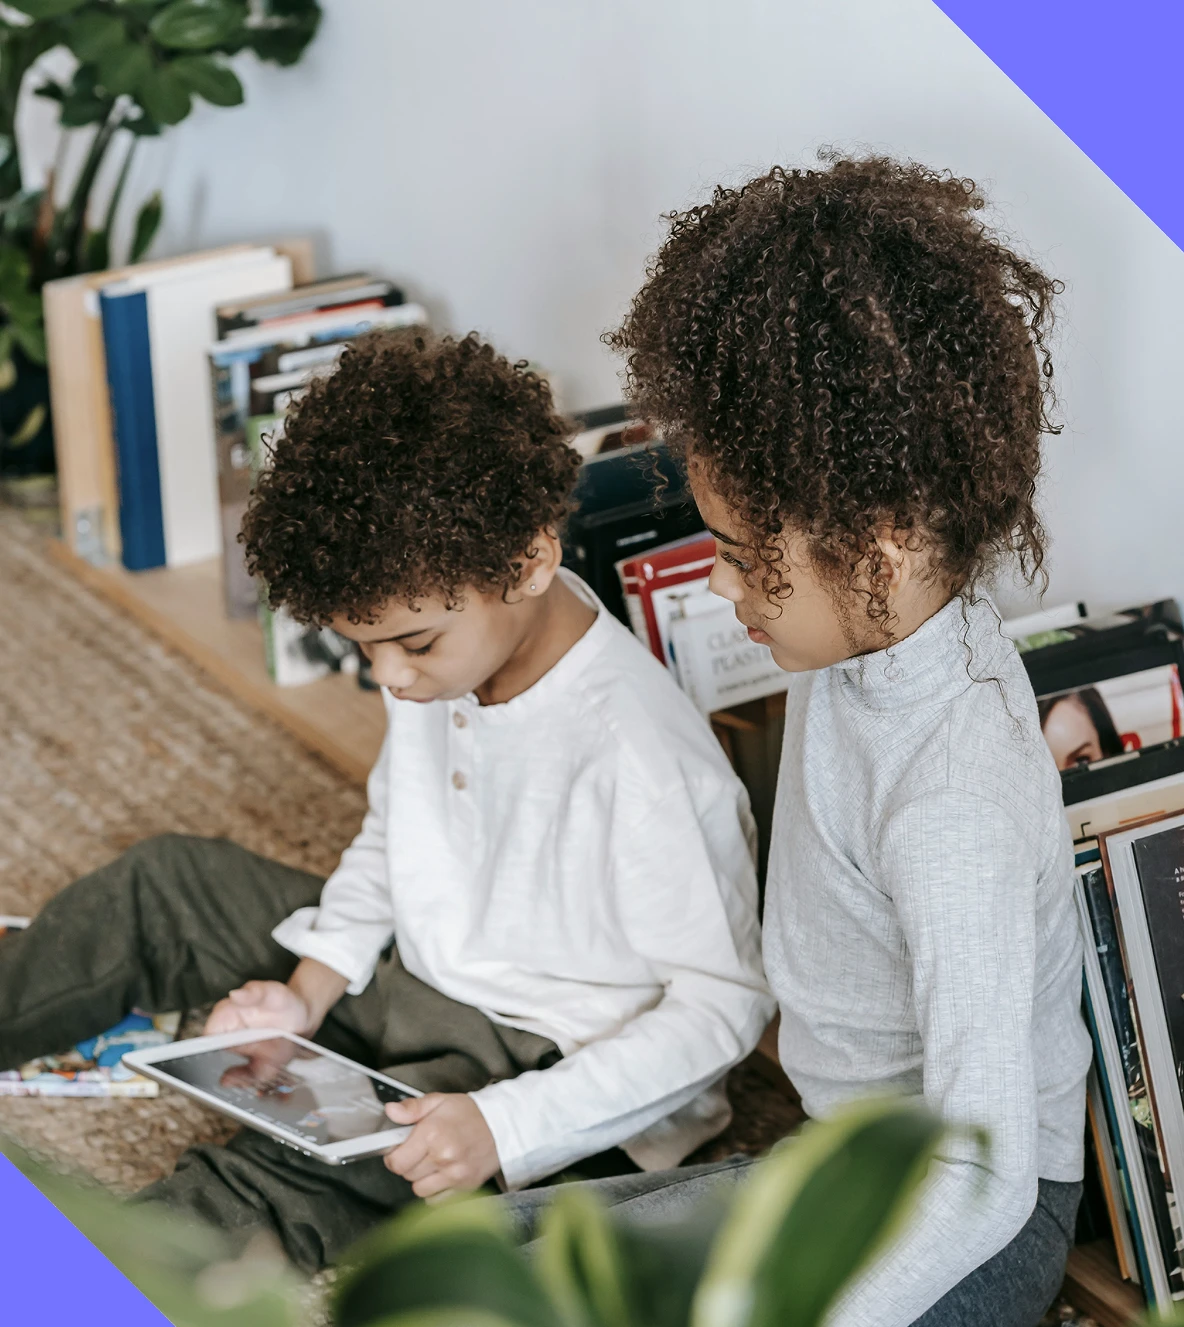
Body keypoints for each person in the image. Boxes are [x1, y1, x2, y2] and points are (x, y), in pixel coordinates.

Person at [429, 154, 1093, 1327]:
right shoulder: (888, 632)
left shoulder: (949, 801)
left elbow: (981, 1179)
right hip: (836, 1172)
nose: (720, 587)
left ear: (878, 545)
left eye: (740, 555)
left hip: (961, 1229)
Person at [0, 331, 772, 1272]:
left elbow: (722, 1010)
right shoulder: (447, 655)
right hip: (409, 979)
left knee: (285, 1175)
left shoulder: (643, 758)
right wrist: (308, 987)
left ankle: (61, 1304)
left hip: (539, 1066)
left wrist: (500, 1125)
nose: (391, 680)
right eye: (364, 650)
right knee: (166, 884)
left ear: (529, 562)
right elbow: (395, 835)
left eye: (413, 644)